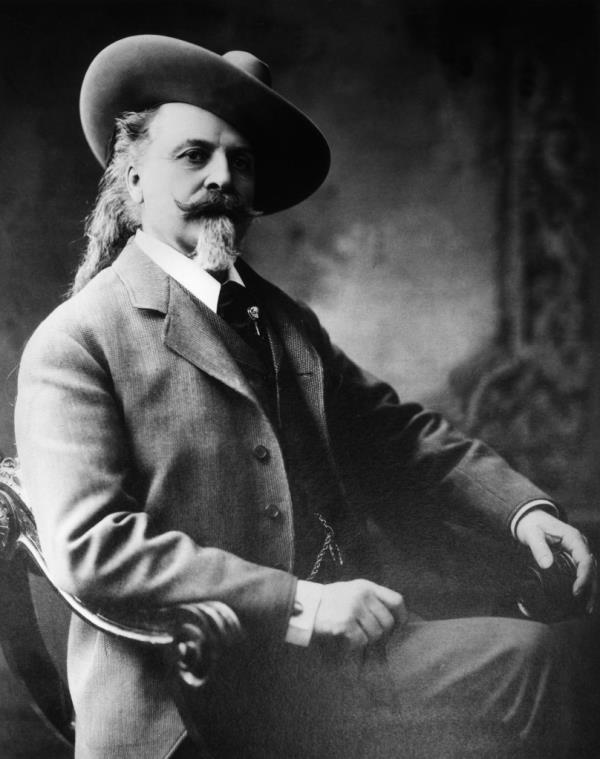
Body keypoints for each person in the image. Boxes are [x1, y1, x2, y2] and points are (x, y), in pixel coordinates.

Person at [14, 35, 597, 759]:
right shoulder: (77, 341)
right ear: (132, 179)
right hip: (186, 704)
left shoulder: (281, 320)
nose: (222, 178)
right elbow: (92, 547)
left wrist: (522, 512)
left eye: (242, 162)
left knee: (549, 664)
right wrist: (304, 603)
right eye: (194, 156)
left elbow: (397, 435)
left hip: (332, 669)